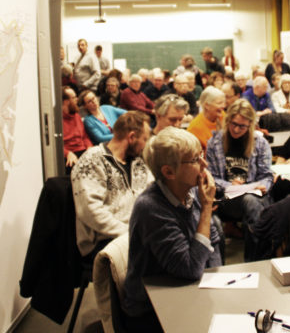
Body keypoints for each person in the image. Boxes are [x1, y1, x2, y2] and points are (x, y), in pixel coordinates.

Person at [123, 127, 221, 331]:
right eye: (195, 160)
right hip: (149, 310)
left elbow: (213, 243)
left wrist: (217, 284)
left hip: (186, 291)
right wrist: (206, 209)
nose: (205, 164)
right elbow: (190, 269)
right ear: (169, 172)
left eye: (201, 156)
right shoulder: (151, 208)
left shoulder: (189, 192)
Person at [71, 111, 153, 259]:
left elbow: (154, 194)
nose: (145, 145)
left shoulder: (138, 162)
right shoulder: (92, 160)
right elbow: (91, 212)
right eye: (144, 139)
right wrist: (130, 232)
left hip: (136, 234)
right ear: (132, 137)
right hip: (104, 240)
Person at [206, 99, 273, 259]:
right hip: (227, 198)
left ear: (250, 124)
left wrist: (259, 186)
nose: (236, 129)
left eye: (242, 126)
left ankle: (254, 260)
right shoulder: (215, 143)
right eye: (233, 124)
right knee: (249, 202)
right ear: (227, 121)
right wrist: (230, 185)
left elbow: (267, 175)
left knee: (251, 201)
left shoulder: (260, 143)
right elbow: (212, 177)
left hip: (254, 196)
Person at [62, 86, 92, 173]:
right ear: (66, 101)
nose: (77, 100)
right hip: (70, 153)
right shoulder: (57, 120)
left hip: (83, 150)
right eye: (74, 97)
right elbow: (55, 144)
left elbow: (85, 137)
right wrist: (67, 153)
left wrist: (89, 148)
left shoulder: (76, 116)